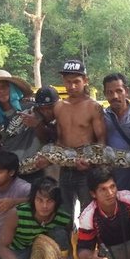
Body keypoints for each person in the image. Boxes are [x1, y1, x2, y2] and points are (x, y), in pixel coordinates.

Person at [36, 59, 106, 224]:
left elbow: (102, 141)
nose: (72, 86)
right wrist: (49, 158)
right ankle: (67, 241)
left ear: (85, 81)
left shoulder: (93, 107)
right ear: (63, 81)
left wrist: (91, 162)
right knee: (64, 216)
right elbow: (58, 140)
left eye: (76, 82)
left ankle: (87, 241)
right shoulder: (59, 106)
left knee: (88, 215)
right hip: (65, 170)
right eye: (68, 82)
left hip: (87, 170)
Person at [0, 177, 74, 259]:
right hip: (21, 249)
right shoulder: (17, 214)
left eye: (50, 201)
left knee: (60, 233)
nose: (44, 206)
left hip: (48, 253)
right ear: (33, 199)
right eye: (39, 200)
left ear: (56, 202)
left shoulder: (64, 218)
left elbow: (69, 248)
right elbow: (1, 247)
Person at [0, 70, 45, 184]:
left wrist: (37, 124)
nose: (1, 91)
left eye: (5, 86)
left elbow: (49, 137)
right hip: (11, 174)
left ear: (12, 88)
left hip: (36, 169)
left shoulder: (31, 108)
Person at [103, 73, 130, 192]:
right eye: (109, 92)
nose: (115, 96)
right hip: (111, 181)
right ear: (105, 94)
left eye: (119, 91)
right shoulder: (102, 117)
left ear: (127, 91)